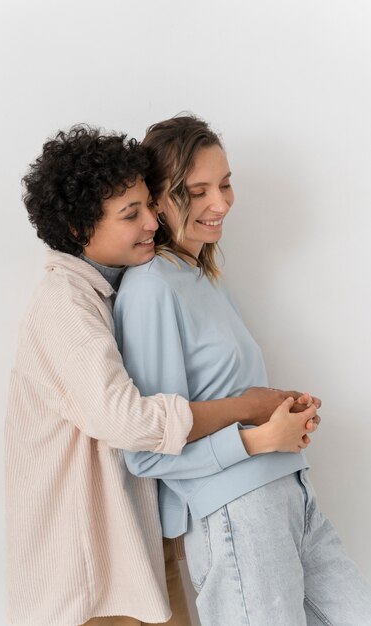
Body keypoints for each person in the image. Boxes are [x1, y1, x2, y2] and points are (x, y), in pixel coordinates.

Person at [5, 125, 319, 626]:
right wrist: (247, 411)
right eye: (131, 214)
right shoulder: (64, 305)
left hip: (132, 549)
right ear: (79, 230)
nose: (153, 221)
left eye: (149, 205)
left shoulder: (118, 291)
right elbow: (128, 422)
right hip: (87, 570)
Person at [113, 115, 371, 626]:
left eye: (226, 184)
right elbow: (146, 452)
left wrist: (280, 412)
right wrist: (258, 440)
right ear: (159, 201)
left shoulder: (203, 278)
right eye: (199, 190)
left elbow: (225, 399)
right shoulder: (150, 289)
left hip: (290, 496)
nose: (221, 203)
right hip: (237, 513)